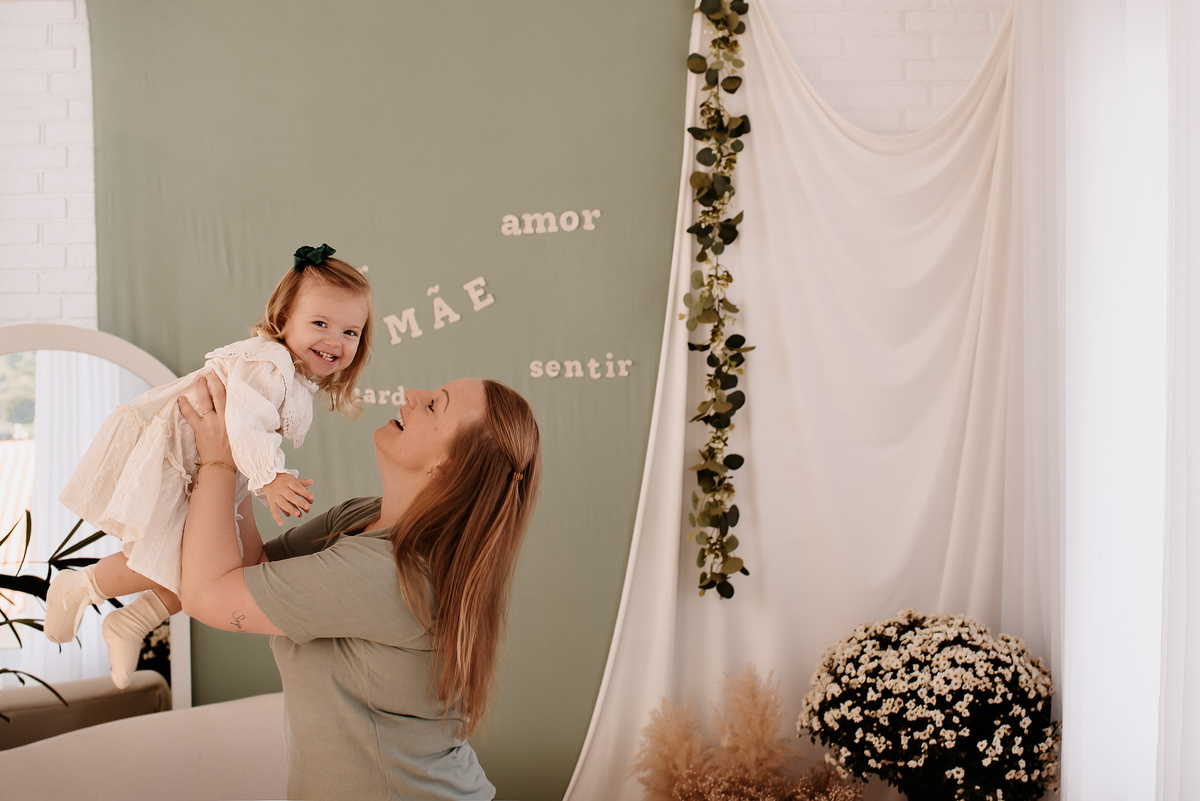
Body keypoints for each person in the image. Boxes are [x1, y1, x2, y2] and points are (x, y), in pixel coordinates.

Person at [176, 370, 540, 801]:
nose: (413, 392)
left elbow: (206, 596)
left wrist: (217, 461)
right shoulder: (362, 517)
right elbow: (251, 565)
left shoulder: (392, 575)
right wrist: (241, 447)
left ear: (445, 467)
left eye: (433, 406)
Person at [43, 244, 373, 688]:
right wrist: (271, 477)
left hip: (215, 463)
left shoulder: (289, 374)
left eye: (351, 332)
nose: (335, 341)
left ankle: (135, 618)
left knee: (230, 562)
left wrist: (260, 476)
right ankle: (79, 587)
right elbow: (244, 423)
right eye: (320, 324)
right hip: (186, 454)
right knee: (173, 549)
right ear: (284, 318)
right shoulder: (270, 361)